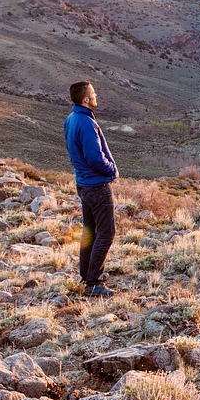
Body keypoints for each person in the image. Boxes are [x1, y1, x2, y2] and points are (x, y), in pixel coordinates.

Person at [64, 81, 118, 296]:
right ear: (86, 99)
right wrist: (111, 169)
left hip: (84, 183)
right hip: (96, 185)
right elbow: (95, 157)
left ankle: (87, 274)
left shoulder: (71, 118)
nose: (97, 96)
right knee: (106, 233)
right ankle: (94, 283)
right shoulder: (86, 122)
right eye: (94, 93)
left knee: (90, 231)